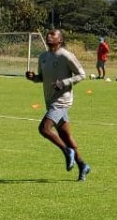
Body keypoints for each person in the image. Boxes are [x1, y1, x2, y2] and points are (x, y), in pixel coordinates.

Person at [24, 29, 91, 181]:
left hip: (62, 101)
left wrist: (64, 82)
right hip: (50, 101)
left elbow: (82, 74)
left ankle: (67, 152)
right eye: (48, 34)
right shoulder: (43, 57)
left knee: (44, 128)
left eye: (53, 35)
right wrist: (33, 77)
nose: (49, 36)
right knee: (65, 135)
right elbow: (42, 78)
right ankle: (83, 166)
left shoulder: (66, 56)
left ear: (60, 40)